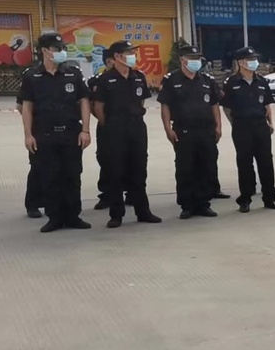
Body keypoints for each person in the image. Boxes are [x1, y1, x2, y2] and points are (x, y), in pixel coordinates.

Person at [19, 32, 93, 232]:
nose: (61, 52)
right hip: (44, 134)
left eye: (63, 48)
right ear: (45, 51)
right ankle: (55, 218)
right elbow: (26, 107)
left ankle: (73, 216)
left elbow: (84, 101)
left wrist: (86, 130)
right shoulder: (32, 76)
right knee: (49, 177)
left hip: (71, 133)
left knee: (72, 176)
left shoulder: (73, 74)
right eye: (57, 49)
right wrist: (28, 134)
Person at [90, 40, 162, 228]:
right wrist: (109, 125)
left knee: (139, 170)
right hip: (114, 129)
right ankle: (116, 214)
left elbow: (141, 102)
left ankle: (143, 211)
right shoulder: (105, 79)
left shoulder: (138, 77)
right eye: (128, 53)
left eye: (132, 52)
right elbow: (98, 107)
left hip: (136, 127)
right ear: (117, 57)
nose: (132, 56)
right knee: (115, 171)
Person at [158, 44, 222, 219]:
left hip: (206, 130)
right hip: (183, 130)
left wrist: (218, 126)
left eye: (198, 58)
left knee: (207, 166)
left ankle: (203, 203)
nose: (196, 61)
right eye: (192, 58)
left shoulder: (207, 80)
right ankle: (187, 205)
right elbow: (165, 106)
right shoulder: (171, 80)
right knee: (185, 168)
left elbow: (214, 104)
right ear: (182, 60)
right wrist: (167, 129)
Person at [221, 46, 275, 213]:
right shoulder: (231, 82)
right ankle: (245, 199)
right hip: (242, 127)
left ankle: (269, 197)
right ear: (241, 63)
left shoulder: (262, 81)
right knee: (244, 163)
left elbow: (267, 104)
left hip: (261, 126)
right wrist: (234, 123)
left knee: (266, 162)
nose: (254, 62)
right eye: (250, 60)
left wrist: (270, 122)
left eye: (255, 59)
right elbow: (226, 107)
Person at [90, 50, 117, 210]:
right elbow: (92, 105)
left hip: (128, 125)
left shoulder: (134, 76)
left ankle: (131, 194)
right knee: (106, 159)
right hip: (106, 125)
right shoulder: (96, 80)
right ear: (108, 61)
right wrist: (104, 121)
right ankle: (107, 195)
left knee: (131, 159)